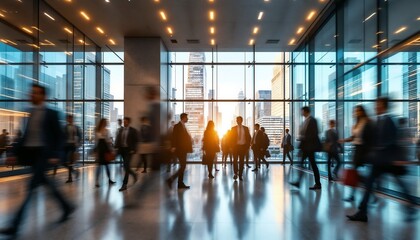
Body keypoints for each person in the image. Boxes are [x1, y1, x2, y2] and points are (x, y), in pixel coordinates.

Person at [0, 84, 74, 237]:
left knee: (31, 187)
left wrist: (56, 154)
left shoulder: (52, 113)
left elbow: (60, 137)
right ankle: (67, 207)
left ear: (43, 96)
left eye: (35, 93)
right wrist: (13, 152)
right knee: (47, 183)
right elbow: (24, 137)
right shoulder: (30, 112)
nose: (31, 95)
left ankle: (15, 224)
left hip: (43, 154)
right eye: (31, 93)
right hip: (32, 155)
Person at [347, 97, 417, 222]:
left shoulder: (389, 120)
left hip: (387, 160)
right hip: (380, 161)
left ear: (383, 106)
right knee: (369, 184)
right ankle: (362, 212)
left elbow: (391, 140)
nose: (375, 107)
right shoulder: (379, 121)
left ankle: (411, 205)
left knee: (398, 184)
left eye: (377, 105)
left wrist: (394, 157)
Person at [339, 105, 374, 201]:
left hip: (363, 150)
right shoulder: (357, 123)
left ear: (363, 111)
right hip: (357, 149)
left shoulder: (367, 121)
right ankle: (367, 192)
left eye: (358, 111)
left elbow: (370, 137)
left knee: (355, 172)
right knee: (355, 173)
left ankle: (355, 195)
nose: (356, 113)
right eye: (355, 111)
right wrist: (344, 140)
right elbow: (354, 137)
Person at [290, 106, 322, 190]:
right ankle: (302, 182)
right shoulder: (306, 121)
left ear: (306, 111)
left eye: (302, 111)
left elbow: (314, 133)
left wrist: (304, 138)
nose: (301, 113)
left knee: (310, 165)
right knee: (308, 164)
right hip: (306, 147)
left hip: (310, 147)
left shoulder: (312, 120)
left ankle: (302, 182)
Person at [166, 113, 193, 189]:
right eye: (187, 117)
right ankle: (172, 180)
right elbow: (174, 137)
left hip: (183, 149)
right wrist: (173, 146)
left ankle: (179, 183)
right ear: (183, 118)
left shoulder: (184, 126)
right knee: (183, 166)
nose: (187, 119)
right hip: (180, 149)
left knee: (183, 166)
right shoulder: (177, 126)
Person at [114, 117, 138, 191]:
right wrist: (116, 148)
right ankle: (134, 175)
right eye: (124, 122)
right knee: (126, 167)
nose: (124, 123)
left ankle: (124, 184)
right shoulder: (120, 130)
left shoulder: (133, 130)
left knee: (126, 167)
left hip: (129, 151)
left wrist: (134, 149)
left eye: (126, 122)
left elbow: (136, 141)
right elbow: (118, 139)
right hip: (121, 150)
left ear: (129, 122)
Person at [94, 118, 116, 188]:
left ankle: (109, 180)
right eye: (105, 122)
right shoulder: (97, 130)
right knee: (99, 166)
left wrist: (110, 147)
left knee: (107, 166)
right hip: (100, 149)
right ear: (102, 123)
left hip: (105, 149)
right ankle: (97, 181)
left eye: (106, 122)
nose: (106, 123)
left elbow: (108, 140)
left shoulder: (107, 130)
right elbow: (96, 141)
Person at [230, 116, 251, 181]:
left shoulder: (246, 128)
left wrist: (247, 146)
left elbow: (249, 138)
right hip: (235, 147)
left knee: (242, 162)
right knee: (235, 161)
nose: (237, 121)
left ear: (241, 121)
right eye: (237, 120)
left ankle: (240, 175)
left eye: (238, 120)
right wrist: (231, 146)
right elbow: (230, 138)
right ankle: (235, 173)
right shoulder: (233, 128)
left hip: (243, 147)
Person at [63, 114, 82, 183]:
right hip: (66, 145)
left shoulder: (76, 127)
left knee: (70, 162)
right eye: (68, 118)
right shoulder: (65, 127)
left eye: (71, 118)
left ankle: (70, 178)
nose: (69, 120)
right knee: (64, 161)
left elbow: (80, 136)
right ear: (67, 119)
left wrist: (78, 143)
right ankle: (74, 171)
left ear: (72, 119)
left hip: (73, 145)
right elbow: (62, 136)